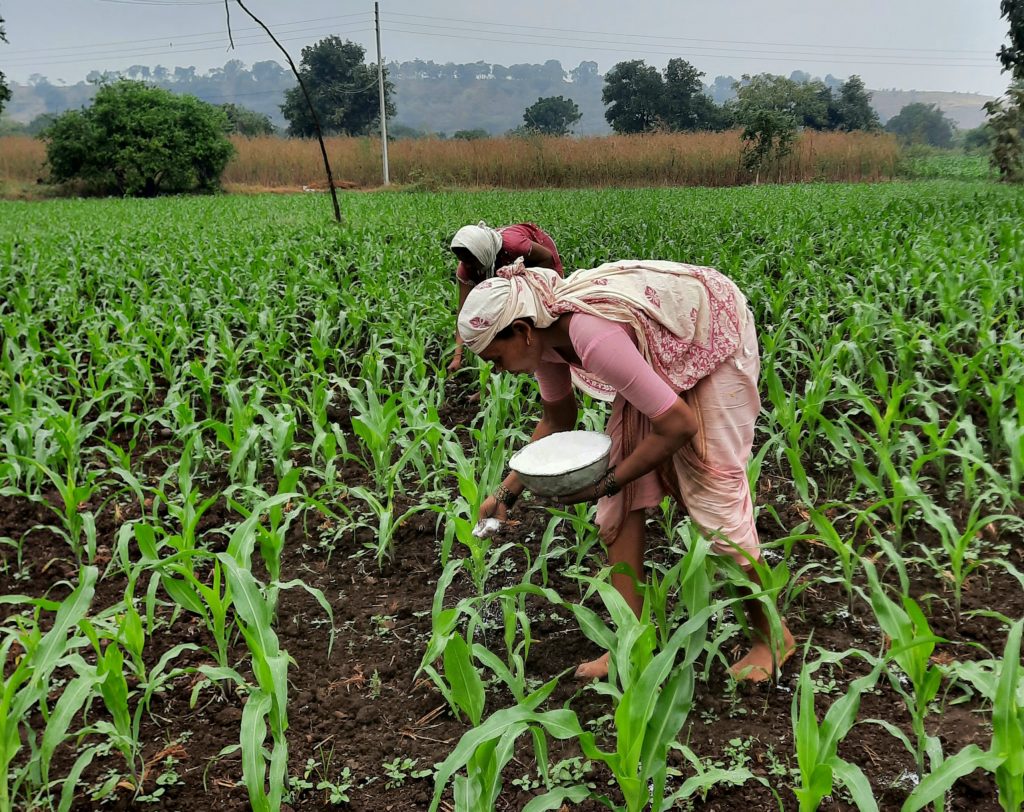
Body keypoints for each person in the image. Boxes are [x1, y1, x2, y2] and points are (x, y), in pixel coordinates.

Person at [458, 258, 795, 682]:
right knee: (618, 504)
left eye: (495, 358)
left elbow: (677, 425)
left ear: (523, 332)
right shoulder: (542, 341)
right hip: (657, 347)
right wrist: (505, 492)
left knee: (714, 497)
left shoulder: (593, 339)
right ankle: (631, 644)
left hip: (709, 332)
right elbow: (556, 420)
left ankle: (773, 635)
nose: (496, 369)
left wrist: (607, 481)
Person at [448, 222, 563, 373]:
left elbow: (546, 257)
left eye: (470, 260)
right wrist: (457, 357)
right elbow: (462, 310)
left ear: (480, 253)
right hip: (504, 265)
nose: (467, 265)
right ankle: (502, 375)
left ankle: (553, 359)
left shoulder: (514, 246)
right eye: (462, 260)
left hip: (536, 262)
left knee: (548, 314)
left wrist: (535, 292)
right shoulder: (466, 269)